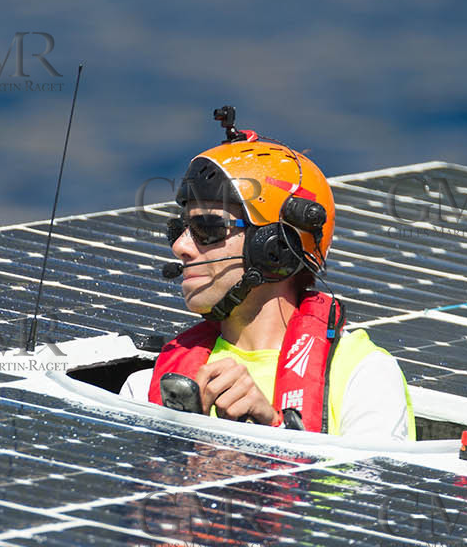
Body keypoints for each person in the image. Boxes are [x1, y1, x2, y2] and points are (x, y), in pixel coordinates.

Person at [120, 107, 413, 441]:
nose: (181, 246)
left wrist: (273, 433)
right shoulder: (148, 386)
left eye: (206, 229)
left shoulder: (363, 377)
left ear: (273, 246)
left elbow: (371, 492)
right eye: (179, 228)